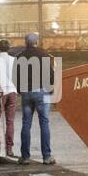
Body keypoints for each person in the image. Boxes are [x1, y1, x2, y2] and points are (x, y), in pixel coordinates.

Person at [15, 31, 56, 165]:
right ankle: (47, 157)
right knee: (44, 123)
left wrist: (20, 90)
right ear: (36, 42)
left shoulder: (20, 56)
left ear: (25, 42)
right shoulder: (44, 54)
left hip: (27, 93)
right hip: (41, 92)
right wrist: (51, 90)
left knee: (26, 124)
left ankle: (25, 157)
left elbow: (15, 76)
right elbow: (51, 74)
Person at [0, 38, 18, 159]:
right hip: (12, 91)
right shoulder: (14, 60)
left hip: (0, 92)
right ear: (9, 48)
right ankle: (9, 148)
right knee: (10, 121)